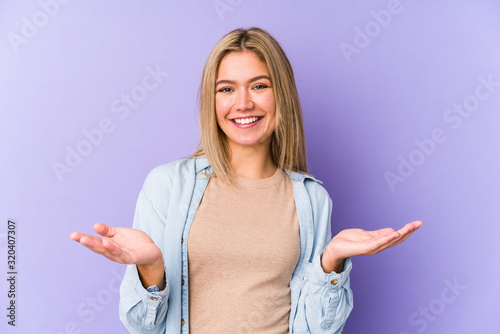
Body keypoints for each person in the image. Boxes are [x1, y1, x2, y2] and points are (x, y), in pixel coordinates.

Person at [70, 27, 422, 334]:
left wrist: (331, 263)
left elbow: (320, 329)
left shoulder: (312, 200)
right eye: (226, 89)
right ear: (212, 100)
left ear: (280, 94)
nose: (243, 103)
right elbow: (142, 327)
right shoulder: (167, 186)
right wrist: (152, 269)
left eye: (259, 85)